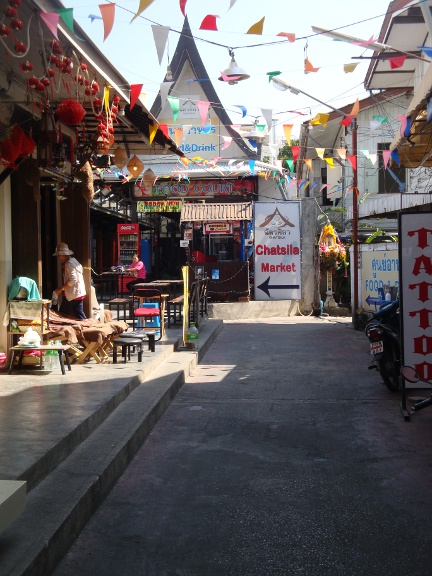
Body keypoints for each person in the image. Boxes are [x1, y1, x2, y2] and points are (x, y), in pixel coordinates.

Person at [53, 242, 87, 319]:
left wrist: (61, 288)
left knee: (62, 314)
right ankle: (88, 327)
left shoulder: (69, 264)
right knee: (79, 314)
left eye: (59, 255)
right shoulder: (74, 261)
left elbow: (73, 280)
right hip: (78, 292)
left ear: (63, 254)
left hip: (73, 294)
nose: (58, 257)